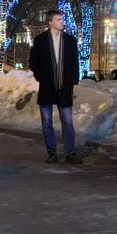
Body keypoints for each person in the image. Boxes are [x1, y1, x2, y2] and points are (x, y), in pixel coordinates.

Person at [29, 11, 82, 165]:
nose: (61, 22)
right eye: (58, 20)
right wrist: (41, 77)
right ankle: (52, 153)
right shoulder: (40, 40)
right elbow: (33, 62)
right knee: (46, 122)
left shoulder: (70, 40)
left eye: (62, 19)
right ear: (50, 22)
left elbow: (74, 61)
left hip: (64, 86)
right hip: (47, 86)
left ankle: (70, 153)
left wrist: (73, 79)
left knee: (67, 120)